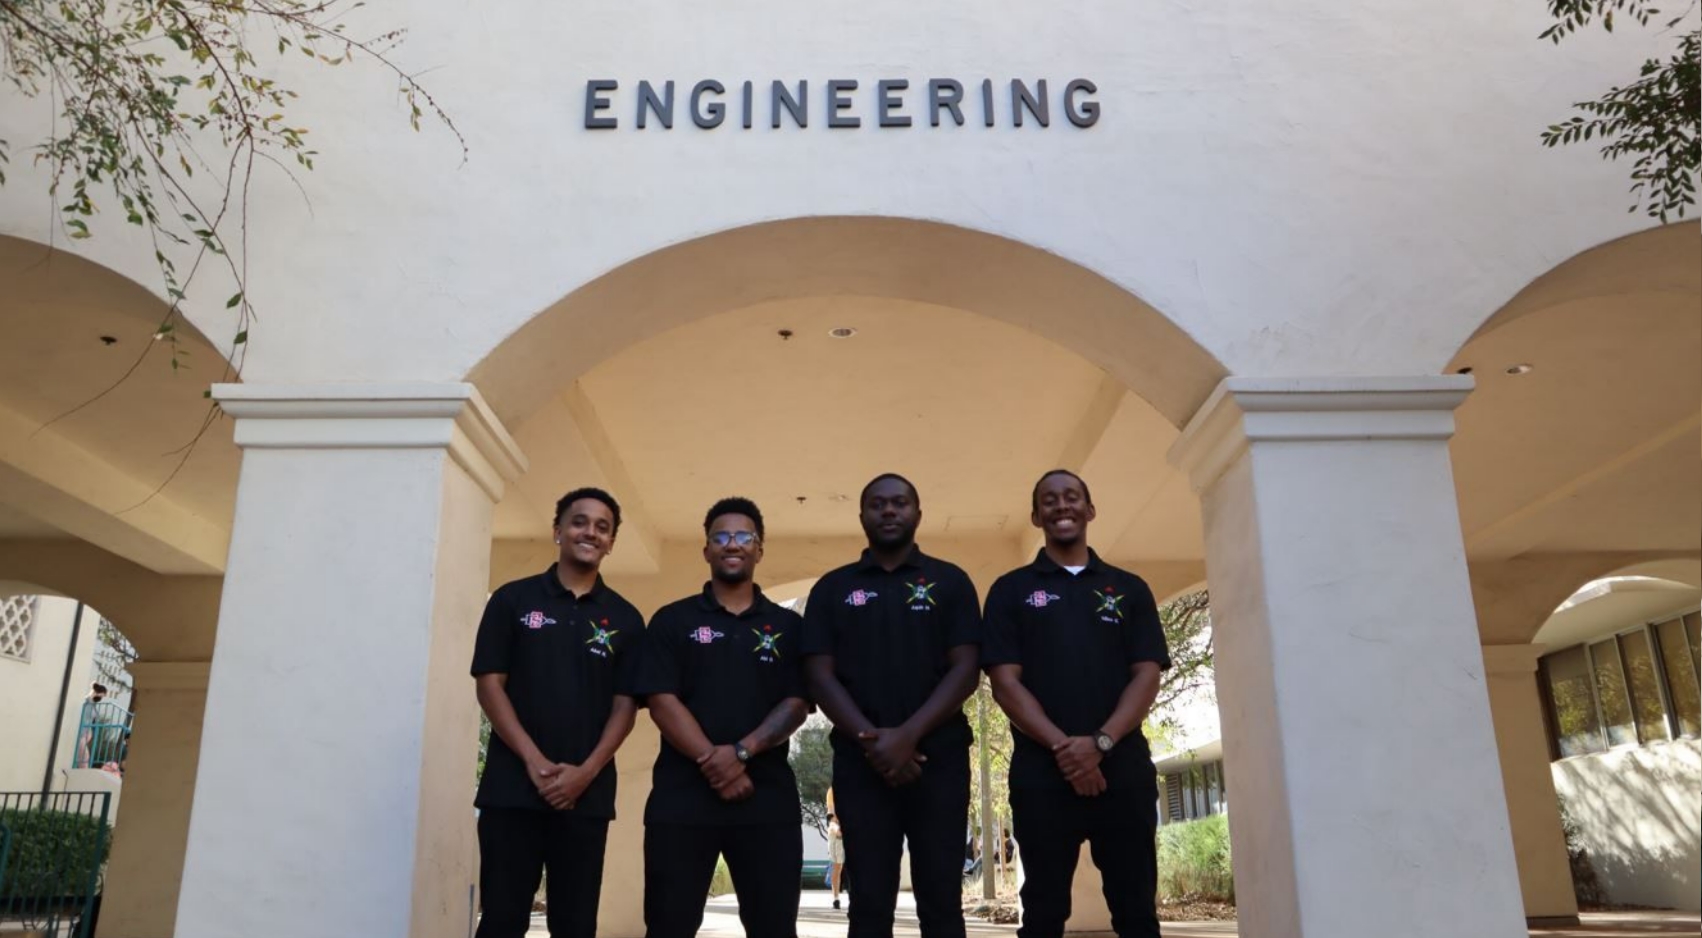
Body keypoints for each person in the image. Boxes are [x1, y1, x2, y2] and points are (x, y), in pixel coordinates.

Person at [983, 470, 1171, 938]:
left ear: (1090, 510)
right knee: (1043, 916)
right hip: (1042, 777)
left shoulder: (1129, 589)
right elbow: (1005, 683)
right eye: (1049, 500)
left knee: (1137, 915)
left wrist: (1101, 743)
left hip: (1123, 773)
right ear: (1035, 515)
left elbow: (1147, 674)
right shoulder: (1011, 590)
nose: (1061, 506)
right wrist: (1067, 751)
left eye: (1071, 498)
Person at [802, 473, 982, 938]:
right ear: (861, 515)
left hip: (938, 762)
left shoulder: (950, 582)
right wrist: (873, 740)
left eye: (899, 503)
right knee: (868, 905)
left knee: (942, 901)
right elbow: (819, 675)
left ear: (917, 514)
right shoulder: (832, 589)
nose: (888, 511)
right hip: (861, 766)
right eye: (877, 504)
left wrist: (907, 736)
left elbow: (966, 668)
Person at [634, 497, 810, 938]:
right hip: (680, 804)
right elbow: (661, 700)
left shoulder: (789, 628)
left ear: (759, 549)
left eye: (744, 536)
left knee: (774, 929)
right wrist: (719, 766)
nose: (733, 544)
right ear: (707, 549)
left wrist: (742, 751)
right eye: (722, 537)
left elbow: (797, 702)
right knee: (668, 927)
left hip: (766, 803)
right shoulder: (672, 621)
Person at [471, 487, 642, 938]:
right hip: (511, 789)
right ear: (558, 531)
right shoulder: (512, 601)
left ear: (611, 542)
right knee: (503, 919)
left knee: (575, 923)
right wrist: (534, 762)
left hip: (587, 794)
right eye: (579, 521)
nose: (590, 532)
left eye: (602, 527)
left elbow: (626, 705)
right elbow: (490, 685)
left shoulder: (626, 618)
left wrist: (585, 772)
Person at [827, 812, 847, 910]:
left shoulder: (833, 824)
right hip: (837, 850)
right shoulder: (833, 824)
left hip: (837, 850)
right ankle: (836, 898)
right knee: (837, 871)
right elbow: (839, 832)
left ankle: (836, 898)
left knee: (837, 871)